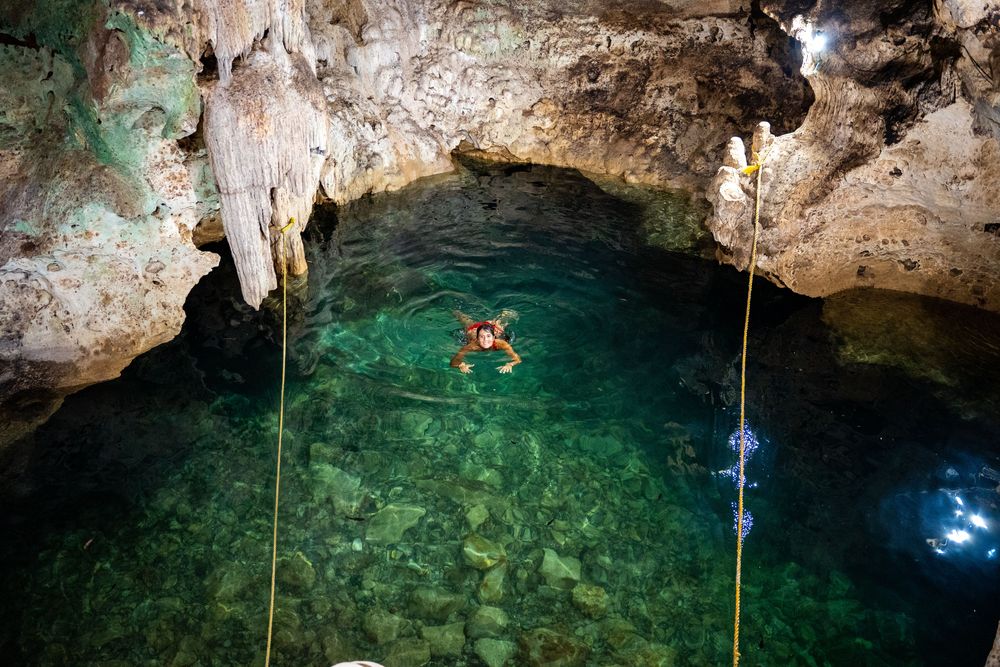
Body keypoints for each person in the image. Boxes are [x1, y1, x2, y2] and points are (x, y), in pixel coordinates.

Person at [450, 310, 521, 374]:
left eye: (488, 336)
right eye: (481, 337)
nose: (485, 340)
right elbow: (453, 362)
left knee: (500, 327)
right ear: (477, 338)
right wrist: (461, 365)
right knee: (462, 318)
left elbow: (517, 360)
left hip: (492, 328)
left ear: (493, 337)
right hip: (474, 328)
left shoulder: (501, 343)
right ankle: (455, 311)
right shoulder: (472, 346)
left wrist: (510, 364)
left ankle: (501, 317)